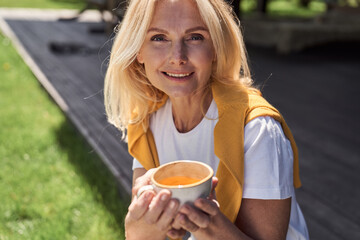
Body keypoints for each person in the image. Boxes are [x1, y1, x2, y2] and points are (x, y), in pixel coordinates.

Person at [104, 0, 309, 239]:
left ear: (215, 47)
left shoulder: (256, 130)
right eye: (159, 38)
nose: (177, 57)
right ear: (138, 50)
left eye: (195, 37)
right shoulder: (145, 121)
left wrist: (206, 226)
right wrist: (138, 230)